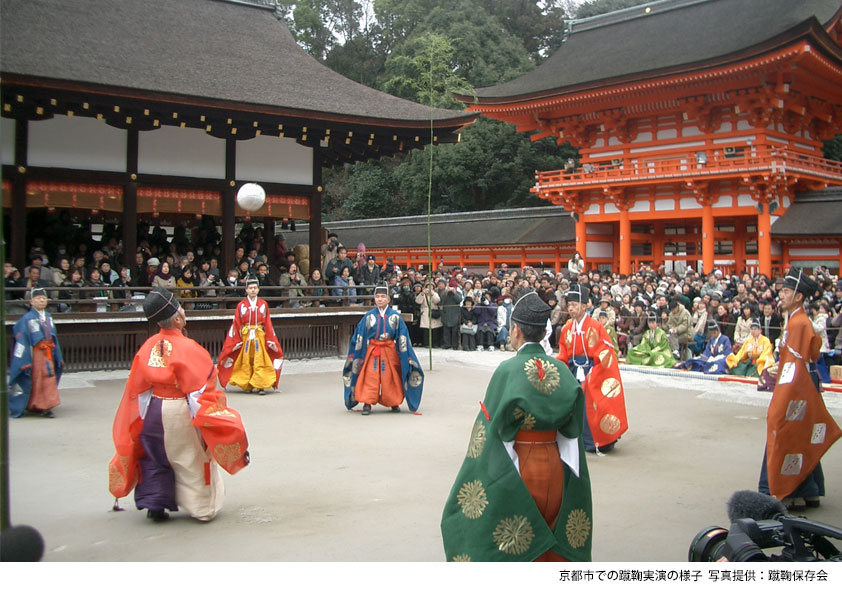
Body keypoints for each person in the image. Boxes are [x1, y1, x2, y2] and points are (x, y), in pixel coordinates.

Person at [441, 291, 592, 561]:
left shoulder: (508, 371)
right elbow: (572, 431)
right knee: (548, 527)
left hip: (521, 464)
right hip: (555, 463)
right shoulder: (562, 371)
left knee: (520, 537)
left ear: (516, 330)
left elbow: (492, 430)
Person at [108, 286, 250, 522]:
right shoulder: (190, 349)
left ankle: (155, 504)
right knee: (190, 457)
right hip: (179, 411)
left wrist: (141, 420)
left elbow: (138, 391)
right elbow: (198, 393)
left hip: (153, 409)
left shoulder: (147, 348)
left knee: (154, 457)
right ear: (177, 318)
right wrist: (208, 421)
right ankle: (202, 507)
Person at [758, 268, 842, 510]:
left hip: (797, 385)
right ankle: (809, 491)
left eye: (785, 291)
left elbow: (796, 364)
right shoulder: (796, 320)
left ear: (798, 296)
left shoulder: (798, 323)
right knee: (802, 433)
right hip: (801, 381)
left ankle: (786, 489)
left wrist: (783, 397)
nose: (780, 294)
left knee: (785, 429)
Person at [556, 284, 628, 453]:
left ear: (584, 305)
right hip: (573, 371)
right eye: (569, 305)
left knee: (593, 401)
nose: (571, 308)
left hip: (593, 370)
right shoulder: (567, 329)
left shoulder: (596, 327)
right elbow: (563, 355)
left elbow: (605, 355)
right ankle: (571, 439)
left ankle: (596, 441)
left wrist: (592, 374)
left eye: (574, 305)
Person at [342, 284, 423, 416]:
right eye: (377, 297)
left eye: (383, 297)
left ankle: (393, 401)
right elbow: (359, 335)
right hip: (372, 350)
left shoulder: (395, 316)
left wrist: (403, 354)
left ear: (388, 299)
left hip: (389, 350)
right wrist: (359, 350)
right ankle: (367, 402)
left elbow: (403, 336)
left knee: (390, 376)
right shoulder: (368, 316)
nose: (380, 299)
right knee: (369, 375)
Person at [217, 277, 284, 395]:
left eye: (255, 288)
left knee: (260, 359)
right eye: (250, 288)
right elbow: (237, 322)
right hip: (246, 335)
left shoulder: (263, 304)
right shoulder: (241, 305)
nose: (253, 290)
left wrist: (270, 338)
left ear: (258, 290)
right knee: (246, 360)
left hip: (259, 334)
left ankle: (261, 385)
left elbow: (267, 323)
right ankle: (248, 384)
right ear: (246, 290)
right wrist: (236, 339)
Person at [8, 288, 64, 418]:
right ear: (31, 301)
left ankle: (46, 405)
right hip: (35, 353)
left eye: (43, 298)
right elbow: (21, 337)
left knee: (48, 379)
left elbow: (53, 336)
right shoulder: (27, 318)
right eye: (38, 298)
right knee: (37, 379)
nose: (41, 300)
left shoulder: (48, 317)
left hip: (49, 351)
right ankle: (36, 405)